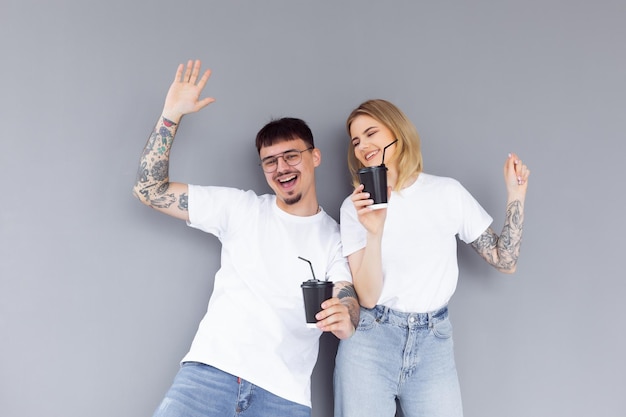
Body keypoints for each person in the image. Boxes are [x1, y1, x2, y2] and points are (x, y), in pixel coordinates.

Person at [133, 59, 359, 417]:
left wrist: (346, 315)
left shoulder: (336, 237)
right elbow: (149, 189)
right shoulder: (241, 208)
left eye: (291, 156)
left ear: (314, 157)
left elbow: (347, 296)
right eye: (270, 161)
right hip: (209, 376)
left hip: (283, 397)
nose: (281, 167)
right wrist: (170, 115)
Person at [333, 99, 530, 417]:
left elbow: (504, 260)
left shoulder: (447, 193)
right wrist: (374, 230)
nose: (362, 146)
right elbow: (367, 297)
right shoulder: (354, 208)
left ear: (398, 132)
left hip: (433, 342)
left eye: (371, 133)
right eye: (356, 141)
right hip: (371, 340)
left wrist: (516, 194)